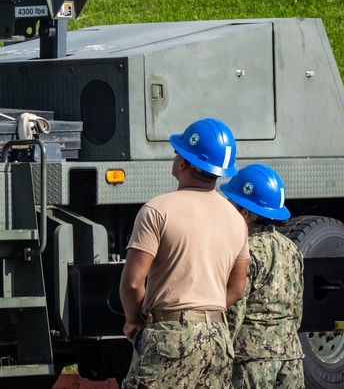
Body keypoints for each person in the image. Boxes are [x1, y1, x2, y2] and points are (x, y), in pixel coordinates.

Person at [119, 117, 250, 389]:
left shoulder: (157, 210)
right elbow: (237, 289)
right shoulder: (236, 219)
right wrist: (203, 315)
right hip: (217, 338)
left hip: (168, 336)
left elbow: (133, 283)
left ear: (183, 163)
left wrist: (134, 320)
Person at [221, 164, 305, 389]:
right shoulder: (292, 249)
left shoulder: (244, 251)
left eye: (231, 204)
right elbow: (296, 311)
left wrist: (219, 350)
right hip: (290, 356)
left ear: (245, 213)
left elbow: (234, 310)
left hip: (251, 359)